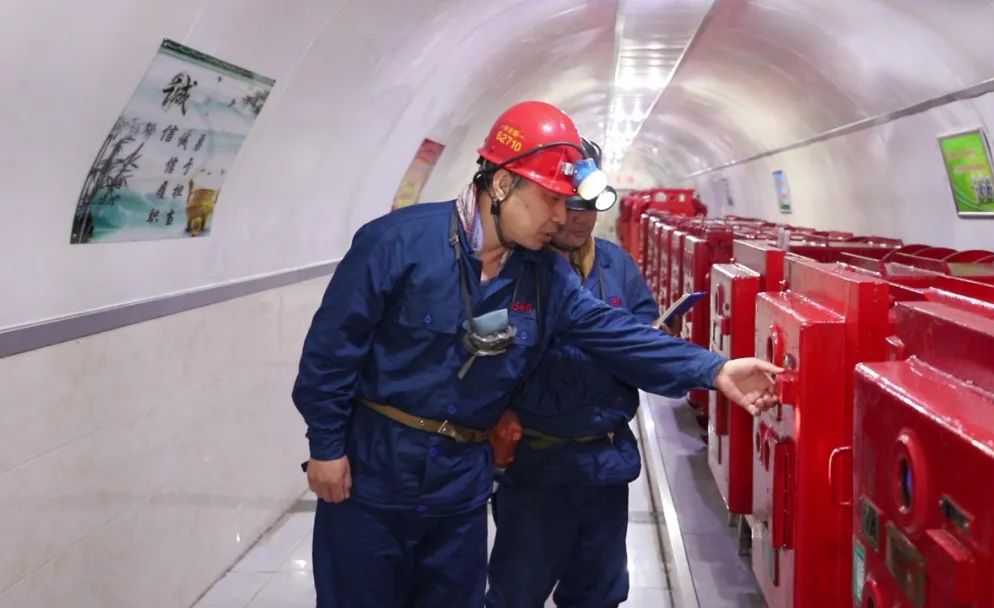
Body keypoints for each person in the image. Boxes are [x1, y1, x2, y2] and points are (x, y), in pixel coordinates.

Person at [291, 100, 781, 608]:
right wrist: (326, 447)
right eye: (551, 200)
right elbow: (331, 352)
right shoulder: (397, 243)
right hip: (374, 474)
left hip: (461, 485)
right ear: (503, 184)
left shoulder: (544, 275)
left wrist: (714, 369)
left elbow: (616, 332)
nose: (561, 217)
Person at [485, 139, 657, 608]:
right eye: (570, 205)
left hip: (605, 463)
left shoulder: (615, 264)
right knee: (517, 593)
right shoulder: (512, 268)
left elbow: (644, 326)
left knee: (599, 593)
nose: (580, 218)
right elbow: (486, 357)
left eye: (591, 206)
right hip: (536, 467)